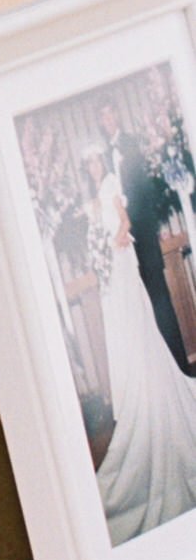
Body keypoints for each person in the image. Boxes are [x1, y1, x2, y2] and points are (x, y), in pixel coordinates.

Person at [83, 143, 196, 544]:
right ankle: (135, 387)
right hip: (112, 270)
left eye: (96, 161)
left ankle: (151, 381)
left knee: (137, 323)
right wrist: (100, 250)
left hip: (123, 263)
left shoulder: (112, 183)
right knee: (124, 331)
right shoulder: (92, 197)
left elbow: (126, 221)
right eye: (89, 164)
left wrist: (115, 237)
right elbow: (97, 232)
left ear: (102, 163)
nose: (94, 167)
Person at [103, 101, 196, 378]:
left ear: (117, 115)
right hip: (124, 244)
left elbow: (144, 190)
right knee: (139, 309)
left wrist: (142, 225)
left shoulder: (131, 144)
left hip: (142, 234)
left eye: (110, 114)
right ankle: (157, 375)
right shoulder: (104, 156)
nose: (107, 121)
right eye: (103, 118)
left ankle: (180, 366)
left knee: (159, 299)